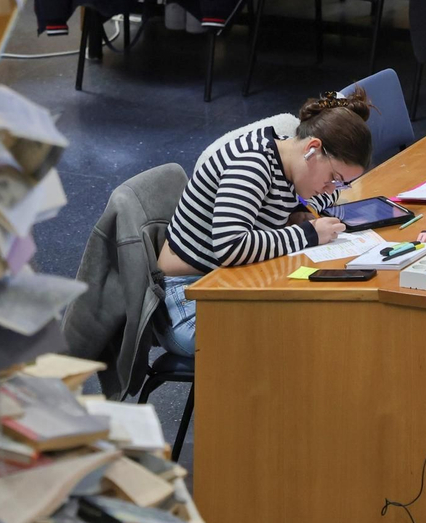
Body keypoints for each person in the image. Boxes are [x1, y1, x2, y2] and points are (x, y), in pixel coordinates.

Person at [157, 90, 374, 356]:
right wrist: (308, 233)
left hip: (225, 285)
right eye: (333, 177)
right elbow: (231, 246)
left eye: (341, 183)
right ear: (312, 149)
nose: (332, 189)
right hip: (186, 300)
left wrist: (299, 209)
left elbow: (320, 195)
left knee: (314, 325)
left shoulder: (289, 160)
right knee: (291, 342)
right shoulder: (252, 164)